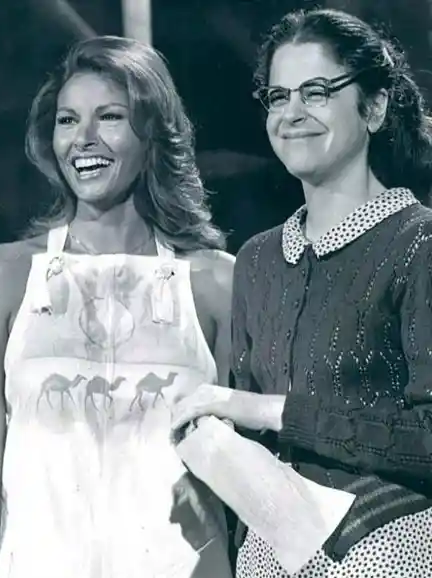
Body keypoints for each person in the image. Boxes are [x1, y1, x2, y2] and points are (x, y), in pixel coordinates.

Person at [0, 35, 235, 578]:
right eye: (67, 120)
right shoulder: (2, 277)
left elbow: (245, 460)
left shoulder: (217, 282)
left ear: (152, 132)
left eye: (109, 117)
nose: (83, 139)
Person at [171, 7, 432, 577]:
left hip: (387, 556)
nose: (292, 113)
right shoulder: (257, 260)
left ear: (375, 107)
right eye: (278, 96)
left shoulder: (420, 243)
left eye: (316, 92)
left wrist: (272, 411)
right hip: (266, 560)